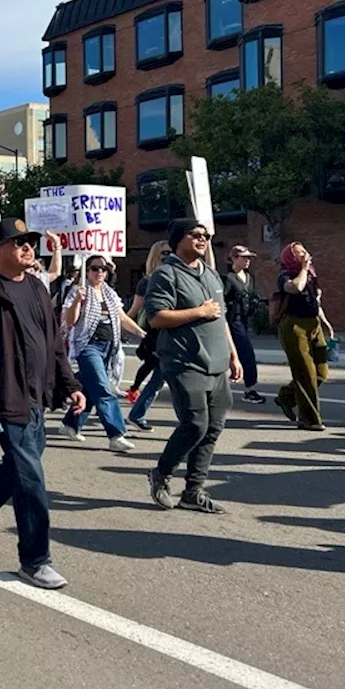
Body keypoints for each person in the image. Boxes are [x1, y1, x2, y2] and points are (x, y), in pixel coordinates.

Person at [0, 218, 85, 590]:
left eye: (29, 242)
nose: (27, 248)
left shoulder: (38, 289)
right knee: (31, 477)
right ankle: (35, 560)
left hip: (38, 394)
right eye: (18, 242)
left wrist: (69, 383)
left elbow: (54, 342)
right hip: (7, 396)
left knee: (22, 466)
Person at [144, 219, 242, 514]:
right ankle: (161, 474)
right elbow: (156, 317)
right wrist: (199, 311)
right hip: (185, 361)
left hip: (217, 362)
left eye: (206, 236)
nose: (203, 239)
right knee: (195, 425)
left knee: (213, 428)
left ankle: (193, 491)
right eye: (195, 235)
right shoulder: (166, 274)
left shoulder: (212, 275)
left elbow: (220, 318)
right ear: (177, 239)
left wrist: (233, 355)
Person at [58, 256, 143, 451]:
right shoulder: (78, 291)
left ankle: (70, 424)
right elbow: (70, 320)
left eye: (103, 268)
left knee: (89, 387)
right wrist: (77, 301)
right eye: (95, 268)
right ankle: (116, 434)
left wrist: (141, 332)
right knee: (103, 390)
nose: (100, 272)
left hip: (108, 347)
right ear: (86, 271)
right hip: (87, 346)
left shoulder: (110, 294)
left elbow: (122, 318)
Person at [273, 242, 332, 431]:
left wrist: (325, 323)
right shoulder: (285, 275)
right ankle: (309, 420)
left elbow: (315, 301)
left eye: (305, 252)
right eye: (300, 254)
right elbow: (295, 288)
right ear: (290, 258)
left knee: (321, 372)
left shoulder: (312, 276)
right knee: (306, 374)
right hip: (293, 326)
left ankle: (286, 397)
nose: (305, 256)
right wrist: (304, 269)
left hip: (313, 324)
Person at [125, 240, 170, 430]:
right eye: (164, 254)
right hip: (155, 336)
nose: (168, 257)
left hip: (172, 334)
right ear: (155, 257)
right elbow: (134, 309)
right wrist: (120, 327)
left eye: (171, 253)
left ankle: (137, 411)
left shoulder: (175, 277)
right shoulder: (147, 281)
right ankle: (137, 413)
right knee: (160, 377)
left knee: (162, 377)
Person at [223, 245, 266, 405]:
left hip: (244, 321)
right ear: (234, 258)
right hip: (232, 321)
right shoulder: (229, 278)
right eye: (244, 257)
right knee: (247, 353)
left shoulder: (249, 277)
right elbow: (222, 300)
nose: (248, 260)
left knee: (238, 354)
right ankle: (250, 390)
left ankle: (246, 387)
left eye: (249, 258)